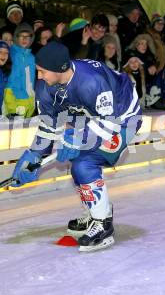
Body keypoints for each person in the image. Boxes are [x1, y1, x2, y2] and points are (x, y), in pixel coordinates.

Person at [12, 41, 142, 252]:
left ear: (60, 69)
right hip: (91, 117)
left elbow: (110, 122)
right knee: (77, 161)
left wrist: (79, 139)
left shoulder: (92, 81)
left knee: (84, 163)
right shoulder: (45, 87)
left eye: (42, 71)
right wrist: (33, 156)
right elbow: (48, 126)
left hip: (123, 116)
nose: (39, 76)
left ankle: (103, 224)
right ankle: (94, 213)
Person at [4, 23, 36, 117]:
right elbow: (9, 84)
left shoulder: (31, 57)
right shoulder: (11, 54)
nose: (24, 39)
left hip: (29, 100)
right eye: (21, 36)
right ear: (16, 38)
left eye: (27, 36)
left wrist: (32, 99)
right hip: (14, 101)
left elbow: (31, 81)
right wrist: (12, 107)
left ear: (31, 38)